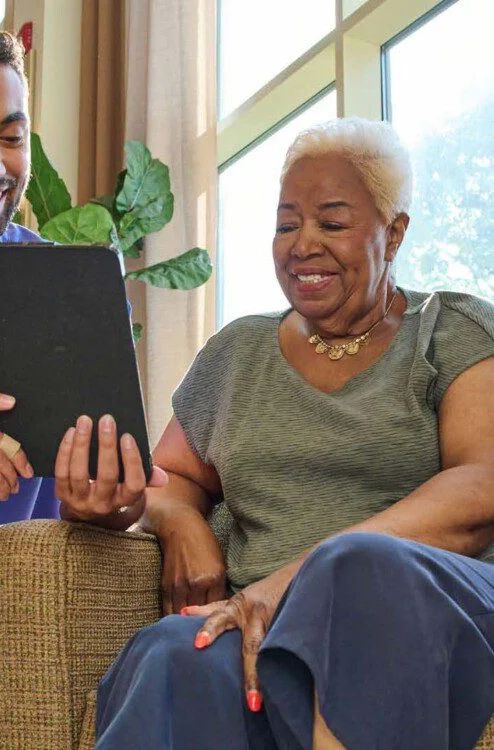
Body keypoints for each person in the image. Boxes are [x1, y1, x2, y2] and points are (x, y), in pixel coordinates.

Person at [92, 117, 494, 749]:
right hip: (262, 622)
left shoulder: (449, 332)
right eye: (286, 224)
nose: (302, 243)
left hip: (418, 605)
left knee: (356, 566)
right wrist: (183, 523)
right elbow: (169, 480)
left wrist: (298, 579)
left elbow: (480, 488)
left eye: (332, 223)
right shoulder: (238, 352)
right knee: (176, 650)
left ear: (394, 233)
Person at [0, 17, 165, 749]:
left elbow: (123, 513)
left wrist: (108, 505)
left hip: (21, 639)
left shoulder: (66, 287)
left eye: (10, 136)